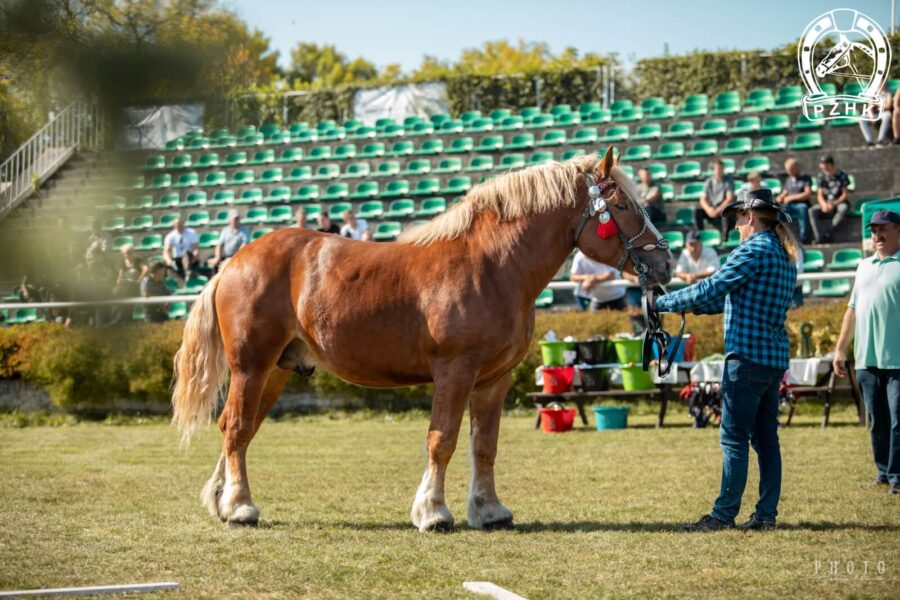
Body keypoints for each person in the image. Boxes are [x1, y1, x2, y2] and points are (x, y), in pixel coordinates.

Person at [655, 188, 798, 531]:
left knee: (733, 437)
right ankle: (766, 515)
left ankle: (723, 515)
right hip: (771, 358)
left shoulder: (752, 250)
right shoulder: (781, 253)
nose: (735, 226)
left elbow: (712, 288)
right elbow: (729, 299)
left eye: (737, 218)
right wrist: (686, 305)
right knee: (766, 440)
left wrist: (662, 303)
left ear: (750, 216)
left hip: (746, 359)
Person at [833, 209, 900, 495]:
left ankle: (897, 476)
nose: (876, 235)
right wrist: (840, 349)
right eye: (873, 230)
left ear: (898, 231)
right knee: (877, 421)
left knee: (899, 421)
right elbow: (852, 311)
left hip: (897, 359)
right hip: (866, 359)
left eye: (883, 229)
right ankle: (883, 472)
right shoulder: (863, 266)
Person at [809, 155, 850, 244]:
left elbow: (845, 194)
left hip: (838, 202)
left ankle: (828, 232)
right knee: (812, 211)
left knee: (843, 208)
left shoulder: (842, 175)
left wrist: (834, 204)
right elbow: (819, 194)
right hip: (826, 203)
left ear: (830, 165)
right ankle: (819, 237)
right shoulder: (821, 177)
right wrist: (823, 204)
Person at [694, 158, 735, 238]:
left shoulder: (728, 180)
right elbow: (702, 199)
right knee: (697, 211)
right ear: (713, 170)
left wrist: (718, 210)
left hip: (722, 208)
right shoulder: (708, 181)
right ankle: (700, 236)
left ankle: (725, 238)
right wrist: (708, 209)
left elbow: (729, 198)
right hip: (712, 208)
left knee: (726, 211)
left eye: (721, 169)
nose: (719, 171)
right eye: (717, 169)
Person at [776, 158, 813, 243]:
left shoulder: (806, 178)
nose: (790, 172)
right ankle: (780, 237)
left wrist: (791, 197)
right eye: (788, 170)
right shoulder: (789, 179)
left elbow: (807, 194)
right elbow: (785, 191)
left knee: (803, 209)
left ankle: (804, 238)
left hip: (801, 204)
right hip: (789, 206)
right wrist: (780, 197)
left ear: (797, 167)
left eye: (791, 170)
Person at [163, 214, 200, 280]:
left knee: (185, 254)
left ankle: (188, 272)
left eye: (180, 224)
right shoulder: (170, 236)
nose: (179, 226)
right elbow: (166, 251)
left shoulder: (191, 233)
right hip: (177, 259)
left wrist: (195, 256)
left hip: (189, 257)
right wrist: (169, 261)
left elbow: (195, 249)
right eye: (177, 224)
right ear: (174, 225)